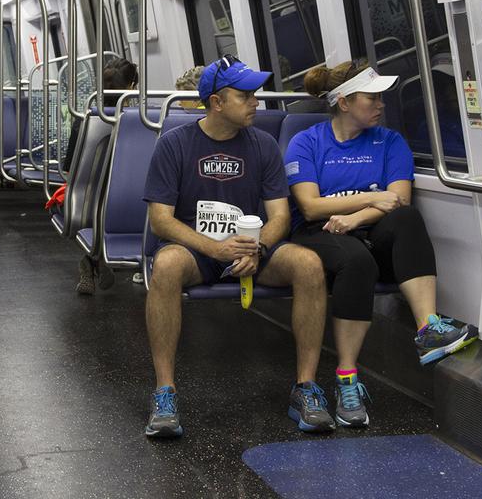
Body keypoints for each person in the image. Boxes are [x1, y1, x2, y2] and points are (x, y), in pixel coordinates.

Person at [142, 55, 333, 437]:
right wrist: (215, 249)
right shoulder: (174, 145)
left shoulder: (262, 145)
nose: (255, 103)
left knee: (309, 264)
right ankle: (165, 393)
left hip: (251, 247)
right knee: (165, 266)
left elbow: (279, 216)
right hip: (199, 250)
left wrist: (256, 249)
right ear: (216, 102)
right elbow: (160, 220)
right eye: (245, 96)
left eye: (255, 95)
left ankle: (306, 388)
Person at [283, 61, 475, 428]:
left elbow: (398, 200)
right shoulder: (306, 143)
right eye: (371, 98)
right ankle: (347, 379)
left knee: (406, 219)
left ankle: (428, 328)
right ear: (344, 102)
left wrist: (355, 217)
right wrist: (371, 201)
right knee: (358, 262)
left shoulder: (390, 142)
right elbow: (310, 207)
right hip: (318, 233)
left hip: (366, 229)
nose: (380, 104)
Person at [72, 58, 139, 295]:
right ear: (131, 87)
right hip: (134, 194)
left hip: (89, 194)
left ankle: (93, 259)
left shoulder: (86, 120)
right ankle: (96, 258)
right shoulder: (144, 120)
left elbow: (70, 164)